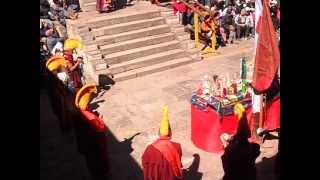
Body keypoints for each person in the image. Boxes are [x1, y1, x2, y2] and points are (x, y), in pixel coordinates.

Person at [142, 106, 183, 180]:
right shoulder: (177, 146)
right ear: (170, 132)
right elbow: (178, 163)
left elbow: (145, 163)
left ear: (158, 132)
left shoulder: (150, 149)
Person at [221, 103, 260, 180]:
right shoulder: (252, 148)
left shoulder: (231, 150)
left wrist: (225, 145)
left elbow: (225, 163)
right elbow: (257, 150)